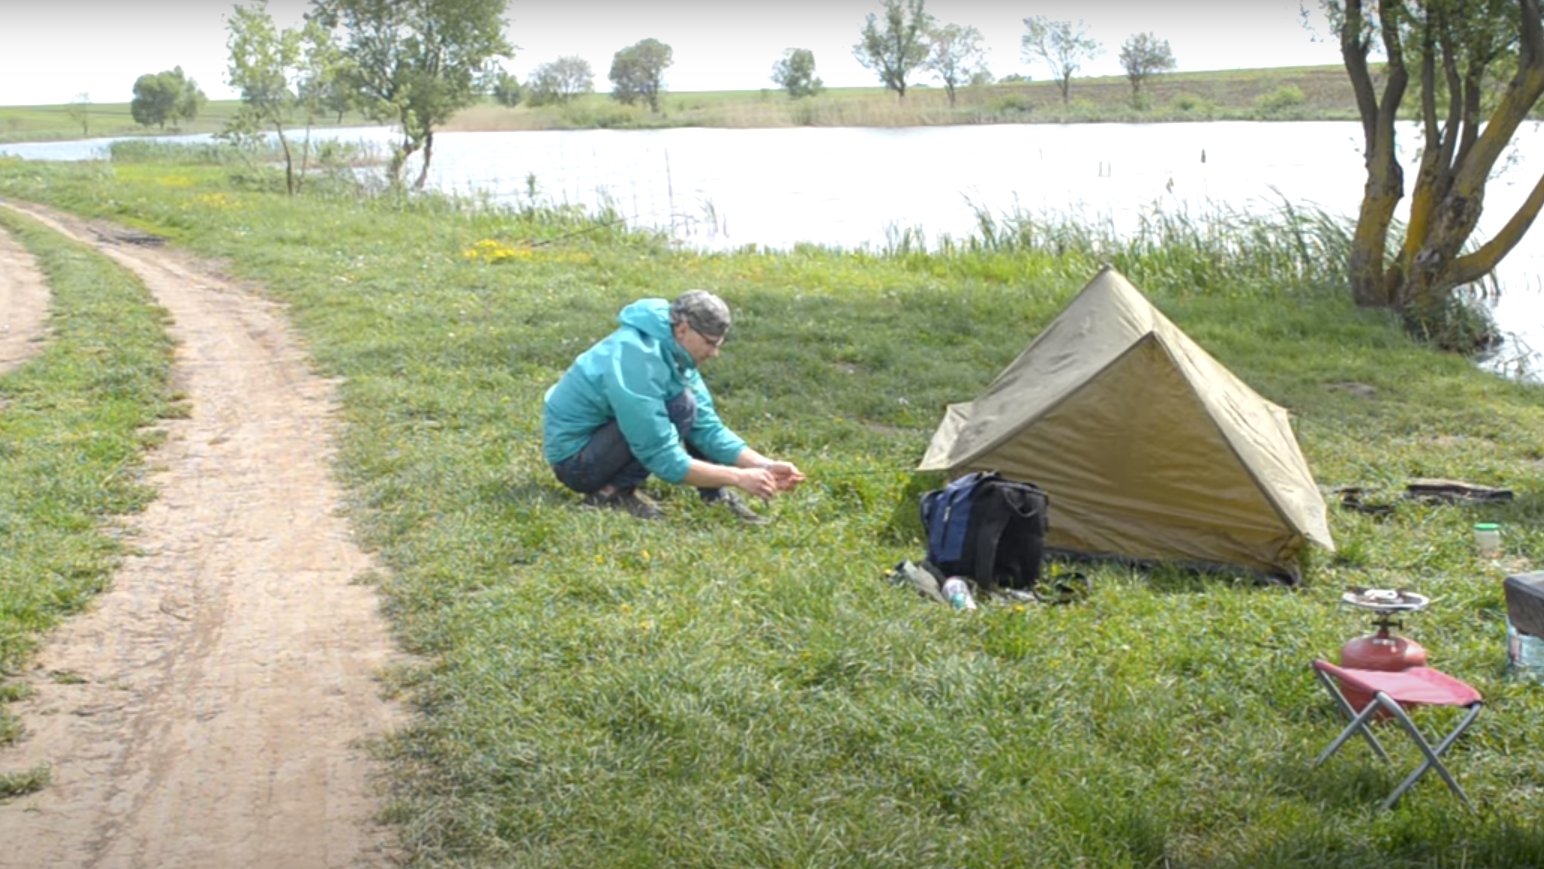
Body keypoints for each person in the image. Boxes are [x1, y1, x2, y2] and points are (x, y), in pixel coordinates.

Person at [542, 289, 806, 522]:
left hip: (604, 439)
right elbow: (662, 457)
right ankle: (612, 493)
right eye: (710, 343)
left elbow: (707, 427)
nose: (714, 353)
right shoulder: (637, 360)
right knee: (681, 406)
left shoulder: (675, 349)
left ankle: (716, 497)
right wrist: (737, 477)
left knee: (685, 405)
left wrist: (763, 465)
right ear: (683, 330)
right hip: (576, 464)